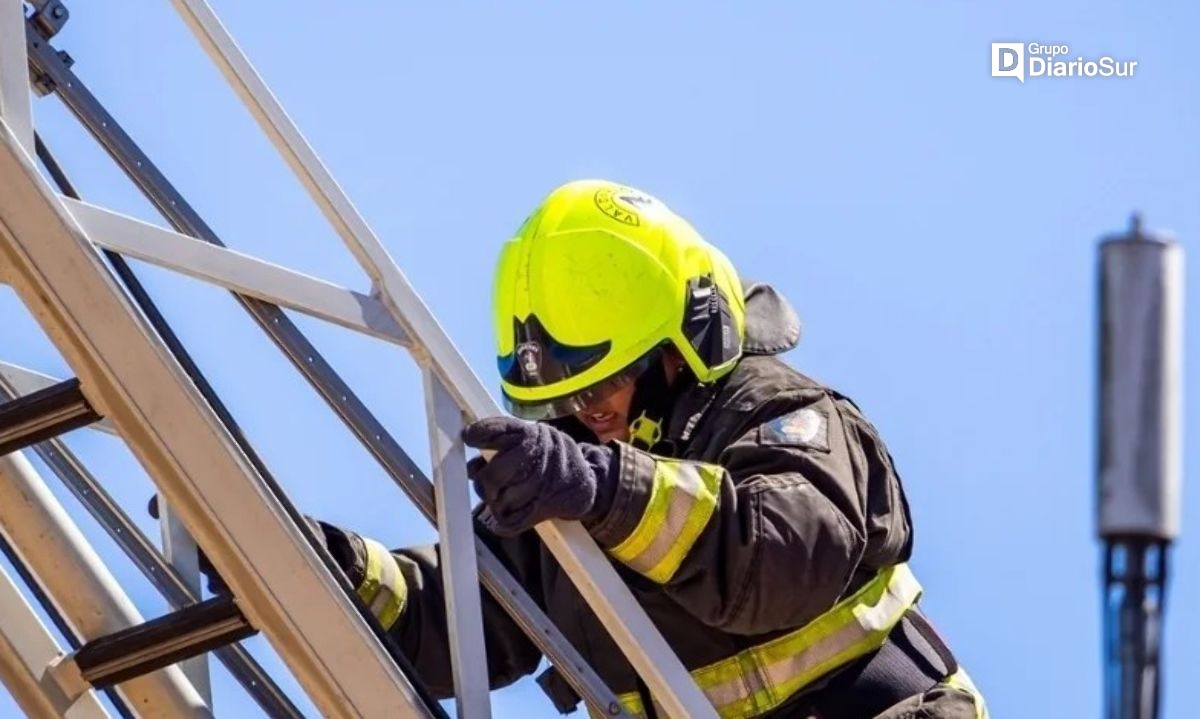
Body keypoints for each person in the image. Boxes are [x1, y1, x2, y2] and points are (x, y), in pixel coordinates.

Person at [312, 179, 988, 718]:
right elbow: (464, 613)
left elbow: (780, 560)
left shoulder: (776, 411)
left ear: (680, 343)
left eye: (605, 381)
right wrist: (329, 565)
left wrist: (610, 491)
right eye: (571, 395)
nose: (589, 409)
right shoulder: (575, 468)